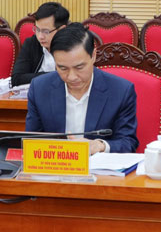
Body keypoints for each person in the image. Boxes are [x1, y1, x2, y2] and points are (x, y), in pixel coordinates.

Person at [25, 23, 138, 154]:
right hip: (55, 164)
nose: (72, 77)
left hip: (98, 165)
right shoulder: (39, 88)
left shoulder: (121, 91)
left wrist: (100, 146)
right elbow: (31, 141)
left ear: (93, 56)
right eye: (62, 68)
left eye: (79, 67)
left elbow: (128, 143)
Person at [11, 2, 69, 86]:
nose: (40, 36)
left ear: (61, 29)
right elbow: (17, 79)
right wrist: (53, 76)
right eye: (37, 30)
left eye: (46, 31)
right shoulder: (31, 43)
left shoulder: (73, 46)